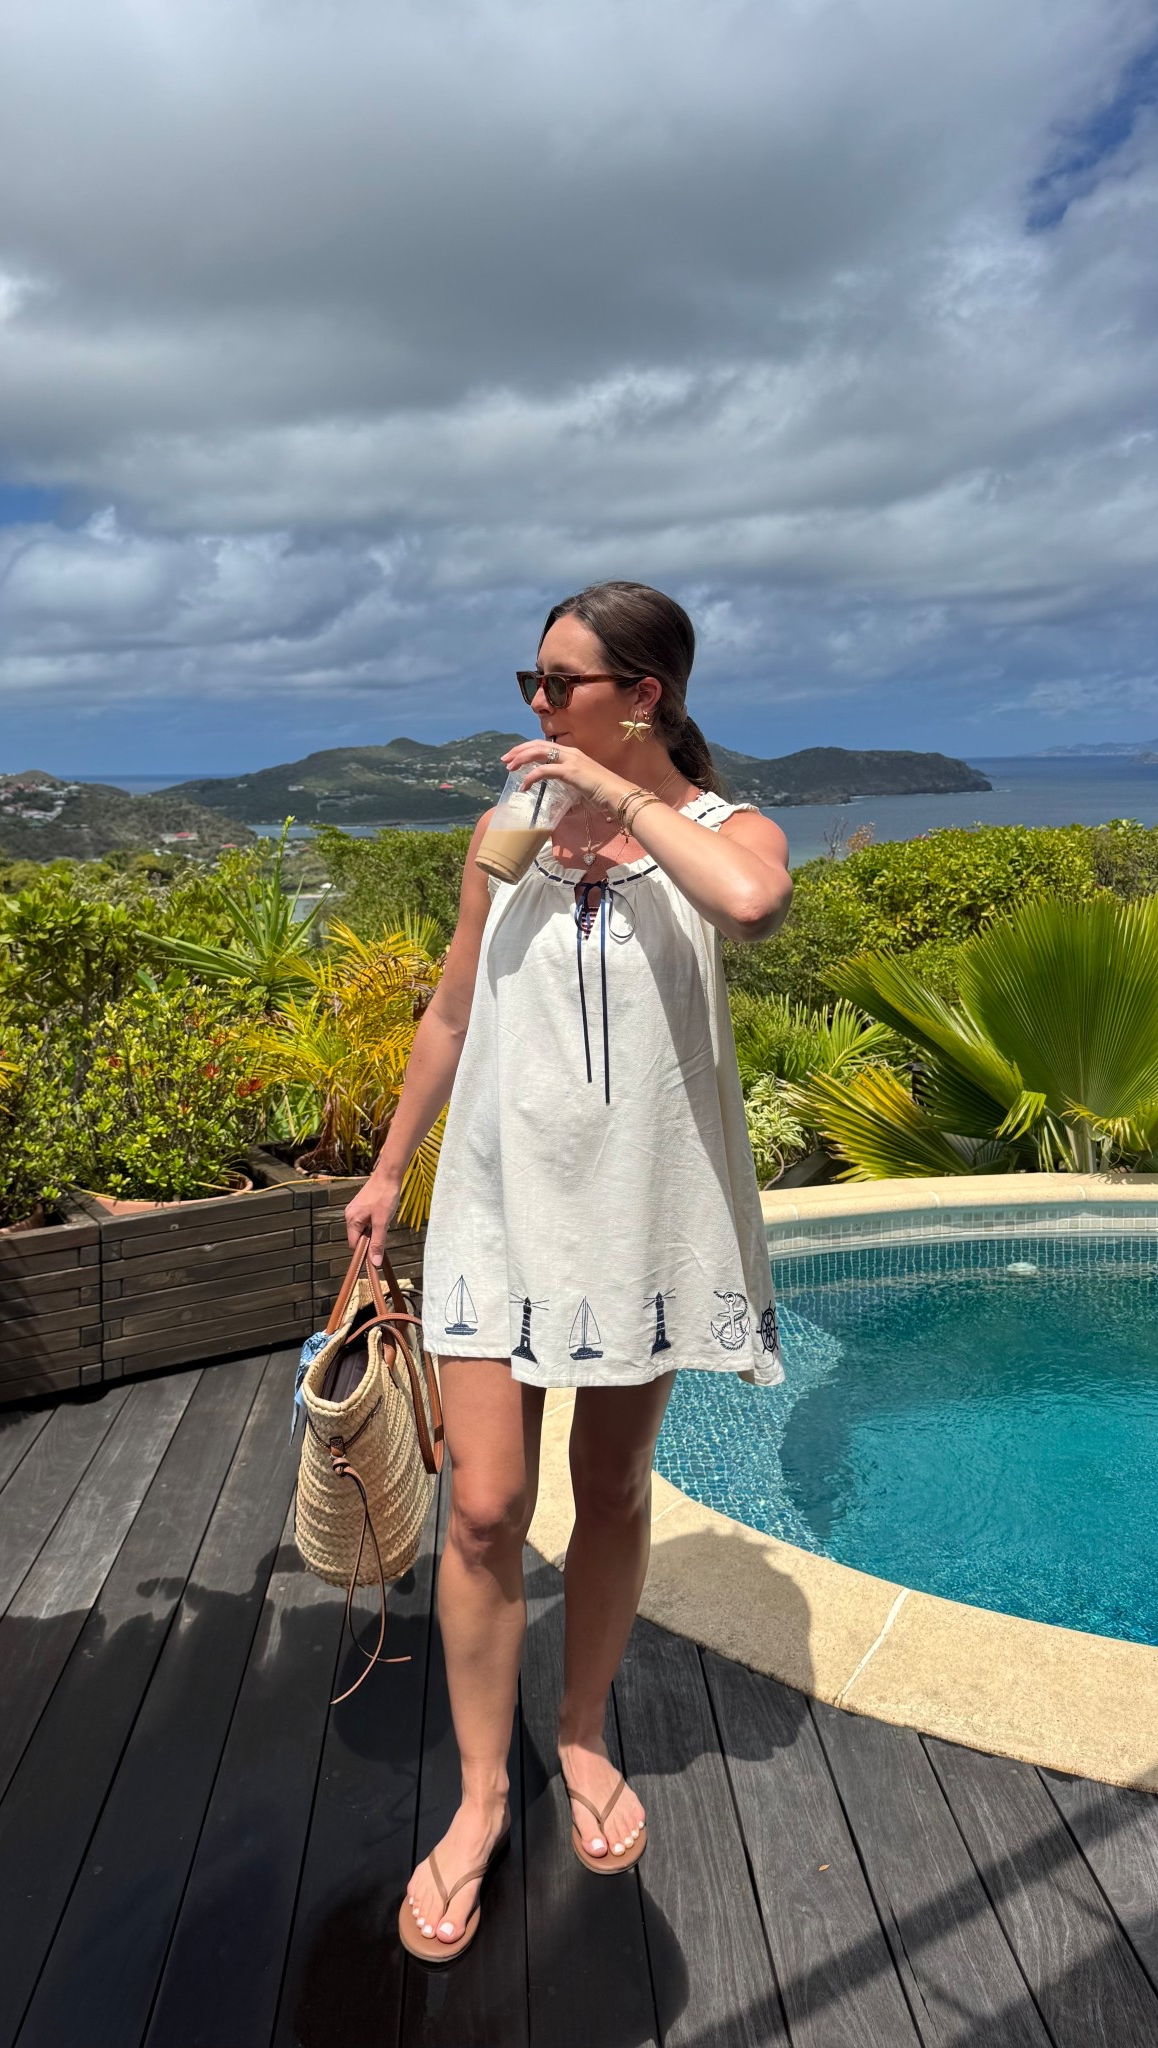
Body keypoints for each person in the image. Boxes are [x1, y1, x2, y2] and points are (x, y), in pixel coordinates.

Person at [345, 580, 794, 1963]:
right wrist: (387, 1170)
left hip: (639, 1216)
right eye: (531, 683)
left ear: (641, 695)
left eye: (560, 684)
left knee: (610, 1487)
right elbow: (452, 1006)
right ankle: (483, 1796)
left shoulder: (722, 829)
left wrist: (612, 791)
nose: (536, 705)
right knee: (485, 1509)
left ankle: (584, 1734)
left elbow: (752, 904)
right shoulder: (509, 829)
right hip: (497, 1204)